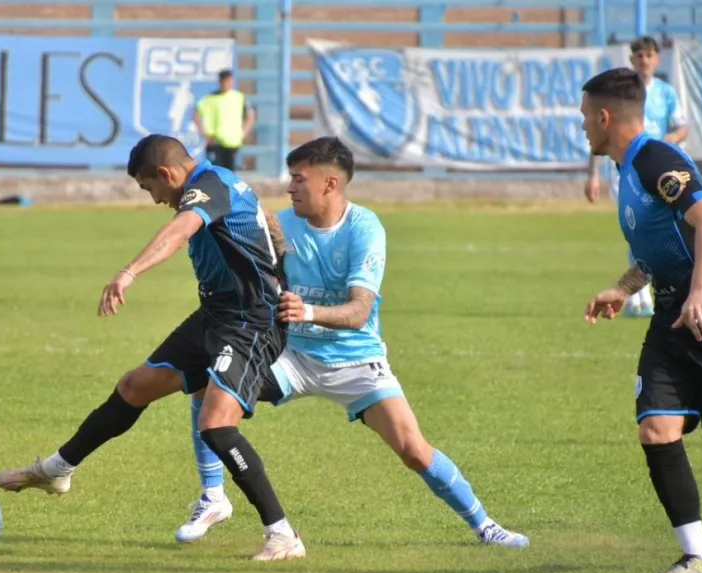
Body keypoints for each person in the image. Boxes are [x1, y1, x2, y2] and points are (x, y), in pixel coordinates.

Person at [173, 137, 530, 549]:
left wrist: (306, 311)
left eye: (298, 179)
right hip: (293, 356)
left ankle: (487, 527)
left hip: (356, 360)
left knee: (414, 451)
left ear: (330, 184)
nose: (289, 188)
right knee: (208, 379)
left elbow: (359, 311)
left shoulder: (364, 228)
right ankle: (213, 497)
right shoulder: (279, 225)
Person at [0, 134, 305, 562]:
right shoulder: (224, 182)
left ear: (166, 174)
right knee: (135, 386)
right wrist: (280, 264)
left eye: (149, 188)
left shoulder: (207, 185)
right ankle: (58, 469)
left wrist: (129, 272)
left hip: (252, 323)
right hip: (216, 314)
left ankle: (283, 534)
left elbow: (181, 229)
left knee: (216, 426)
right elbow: (266, 218)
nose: (155, 199)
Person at [581, 67, 702, 573]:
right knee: (657, 428)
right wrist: (622, 288)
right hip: (672, 317)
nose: (582, 129)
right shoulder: (628, 172)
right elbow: (657, 249)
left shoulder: (655, 159)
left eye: (584, 118)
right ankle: (698, 558)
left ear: (605, 117)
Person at [585, 36, 689, 318]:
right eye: (639, 56)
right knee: (637, 231)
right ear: (632, 60)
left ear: (657, 59)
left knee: (662, 229)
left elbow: (682, 127)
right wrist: (593, 175)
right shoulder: (620, 93)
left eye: (649, 55)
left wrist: (669, 140)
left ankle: (657, 294)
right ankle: (639, 296)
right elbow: (598, 136)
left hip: (658, 172)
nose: (644, 61)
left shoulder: (666, 93)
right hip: (624, 171)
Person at [193, 69, 256, 172]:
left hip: (232, 142)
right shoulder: (210, 99)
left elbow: (251, 115)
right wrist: (204, 133)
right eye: (225, 81)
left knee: (230, 172)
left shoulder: (239, 97)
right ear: (220, 82)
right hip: (215, 141)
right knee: (214, 172)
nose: (227, 84)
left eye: (229, 81)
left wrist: (243, 133)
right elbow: (196, 114)